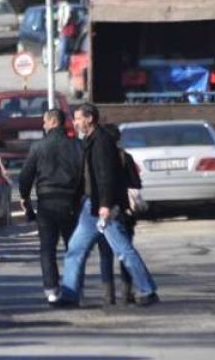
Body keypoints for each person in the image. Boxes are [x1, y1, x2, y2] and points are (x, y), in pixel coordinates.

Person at [53, 102, 159, 308]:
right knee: (75, 249)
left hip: (103, 208)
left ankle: (147, 290)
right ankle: (69, 294)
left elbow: (106, 177)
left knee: (123, 250)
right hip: (90, 208)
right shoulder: (91, 141)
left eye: (78, 119)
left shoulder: (102, 142)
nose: (75, 123)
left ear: (89, 119)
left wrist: (106, 205)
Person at [18, 108, 83, 302]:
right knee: (74, 247)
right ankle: (74, 287)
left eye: (45, 122)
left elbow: (26, 175)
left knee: (47, 248)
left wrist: (25, 197)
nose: (43, 126)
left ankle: (51, 289)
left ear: (53, 122)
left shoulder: (38, 146)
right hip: (71, 201)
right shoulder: (77, 146)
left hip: (47, 202)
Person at [96, 123, 142, 305]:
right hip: (124, 211)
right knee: (125, 252)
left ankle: (108, 294)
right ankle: (127, 292)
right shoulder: (125, 157)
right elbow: (136, 184)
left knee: (105, 254)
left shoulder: (98, 157)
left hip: (103, 210)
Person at [55, 0, 74, 72]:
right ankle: (65, 65)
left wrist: (61, 26)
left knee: (62, 49)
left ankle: (61, 65)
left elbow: (65, 18)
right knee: (65, 49)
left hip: (65, 31)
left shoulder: (64, 7)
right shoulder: (66, 7)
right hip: (66, 31)